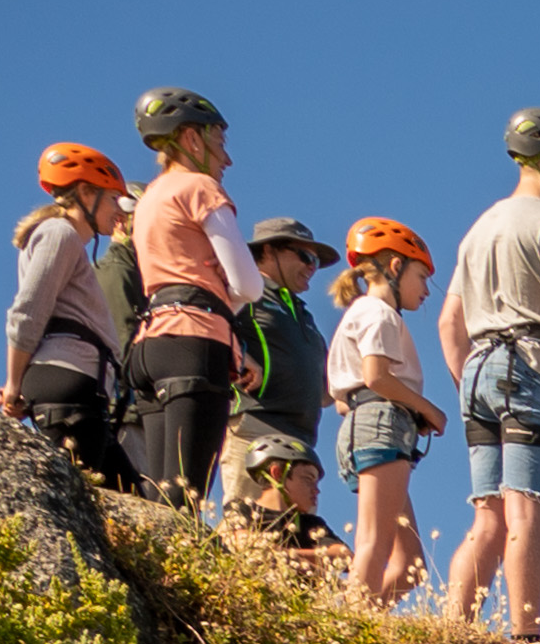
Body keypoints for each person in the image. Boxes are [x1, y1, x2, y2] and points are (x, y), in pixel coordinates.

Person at [436, 109, 540, 642]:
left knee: (489, 516)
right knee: (531, 509)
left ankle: (451, 634)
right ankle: (525, 638)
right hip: (531, 364)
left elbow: (448, 321)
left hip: (478, 367)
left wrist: (468, 381)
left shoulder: (479, 227)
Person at [118, 89, 262, 515]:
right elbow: (249, 284)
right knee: (187, 497)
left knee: (160, 496)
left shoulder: (150, 200)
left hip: (150, 343)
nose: (227, 161)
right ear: (192, 140)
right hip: (195, 342)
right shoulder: (199, 187)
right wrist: (220, 310)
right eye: (220, 144)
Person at [0, 144, 132, 490]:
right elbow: (28, 311)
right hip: (71, 384)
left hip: (79, 387)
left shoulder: (66, 240)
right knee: (83, 503)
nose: (120, 209)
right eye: (113, 198)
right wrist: (14, 384)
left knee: (134, 497)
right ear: (86, 192)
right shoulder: (60, 234)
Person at [326, 219, 439, 607]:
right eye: (422, 275)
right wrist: (427, 409)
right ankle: (347, 632)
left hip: (366, 424)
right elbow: (375, 376)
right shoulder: (378, 312)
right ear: (395, 267)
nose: (426, 289)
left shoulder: (358, 313)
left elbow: (342, 398)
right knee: (374, 541)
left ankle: (359, 622)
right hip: (381, 425)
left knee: (412, 564)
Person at [225, 217, 336, 541]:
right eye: (305, 256)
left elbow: (326, 390)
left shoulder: (303, 313)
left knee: (293, 539)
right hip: (255, 427)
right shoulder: (244, 294)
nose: (312, 267)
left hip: (301, 442)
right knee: (244, 531)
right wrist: (239, 356)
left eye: (316, 261)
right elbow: (212, 325)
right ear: (269, 251)